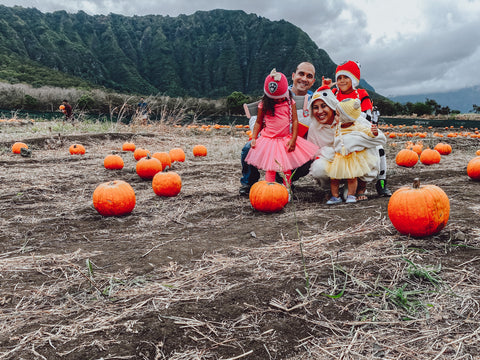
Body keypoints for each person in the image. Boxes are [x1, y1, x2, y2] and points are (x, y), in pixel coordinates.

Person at [239, 62, 316, 196]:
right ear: (293, 75)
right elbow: (255, 118)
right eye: (301, 74)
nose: (304, 79)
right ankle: (249, 182)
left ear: (313, 81)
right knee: (248, 149)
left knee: (310, 157)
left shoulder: (314, 100)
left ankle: (283, 181)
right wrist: (261, 136)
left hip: (293, 142)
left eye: (309, 76)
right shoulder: (276, 91)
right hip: (270, 138)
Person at [331, 60, 392, 197]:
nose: (342, 81)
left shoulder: (362, 94)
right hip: (339, 133)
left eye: (346, 77)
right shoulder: (333, 93)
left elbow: (367, 119)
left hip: (358, 133)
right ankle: (341, 185)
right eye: (339, 78)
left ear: (353, 79)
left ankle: (381, 182)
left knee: (379, 150)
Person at [311, 98, 386, 204]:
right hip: (338, 157)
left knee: (352, 177)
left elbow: (372, 134)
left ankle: (354, 193)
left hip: (351, 157)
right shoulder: (336, 126)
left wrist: (372, 133)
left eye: (337, 115)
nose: (335, 117)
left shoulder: (356, 124)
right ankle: (335, 195)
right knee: (334, 177)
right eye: (315, 107)